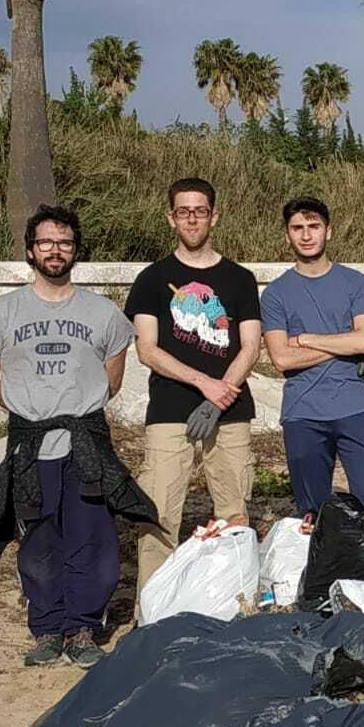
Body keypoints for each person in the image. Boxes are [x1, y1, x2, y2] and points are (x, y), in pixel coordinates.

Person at [0, 205, 153, 667]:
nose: (56, 250)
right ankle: (48, 628)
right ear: (31, 250)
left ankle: (83, 628)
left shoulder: (103, 313)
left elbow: (111, 381)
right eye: (47, 242)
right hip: (31, 444)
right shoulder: (2, 312)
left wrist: (70, 410)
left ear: (76, 250)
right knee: (38, 538)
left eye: (65, 243)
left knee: (92, 537)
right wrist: (34, 413)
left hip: (85, 443)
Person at [124, 177, 262, 599]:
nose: (192, 218)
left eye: (199, 210)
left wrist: (221, 397)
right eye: (183, 211)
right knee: (159, 515)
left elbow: (251, 345)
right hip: (169, 412)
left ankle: (233, 605)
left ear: (213, 216)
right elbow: (147, 349)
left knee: (233, 515)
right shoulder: (152, 279)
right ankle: (152, 612)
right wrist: (204, 384)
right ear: (171, 218)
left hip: (231, 413)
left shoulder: (239, 278)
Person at [259, 198, 364, 517]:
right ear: (287, 235)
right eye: (297, 228)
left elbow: (363, 340)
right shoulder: (275, 294)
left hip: (358, 408)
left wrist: (305, 339)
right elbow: (282, 359)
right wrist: (341, 344)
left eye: (313, 226)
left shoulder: (356, 283)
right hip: (303, 412)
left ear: (329, 231)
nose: (306, 235)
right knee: (311, 514)